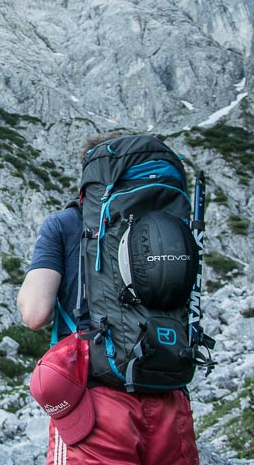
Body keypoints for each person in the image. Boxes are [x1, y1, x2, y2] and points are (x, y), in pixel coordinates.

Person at [17, 134, 200, 465]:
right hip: (172, 397)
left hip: (97, 405)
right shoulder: (170, 226)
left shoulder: (64, 224)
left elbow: (35, 313)